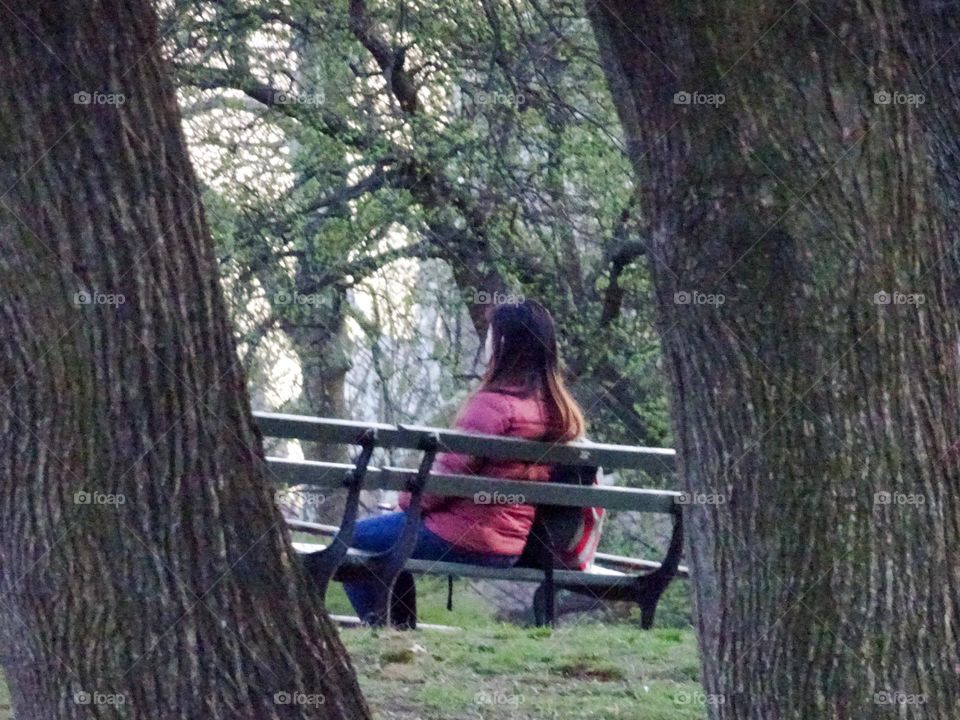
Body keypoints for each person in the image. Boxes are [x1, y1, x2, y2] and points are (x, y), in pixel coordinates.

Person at [342, 298, 586, 622]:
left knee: (352, 540)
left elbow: (440, 484)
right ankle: (397, 633)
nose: (486, 343)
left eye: (490, 335)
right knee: (389, 539)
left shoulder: (492, 405)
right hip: (511, 543)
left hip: (465, 537)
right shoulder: (556, 410)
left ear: (503, 344)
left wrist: (406, 503)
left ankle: (386, 632)